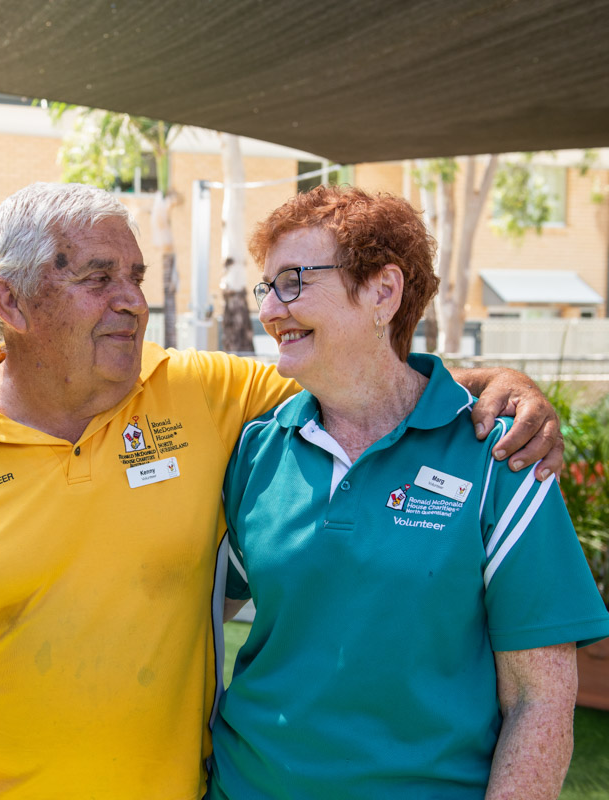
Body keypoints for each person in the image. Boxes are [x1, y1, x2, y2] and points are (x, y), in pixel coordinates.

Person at [0, 182, 564, 800]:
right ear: (11, 303)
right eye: (97, 278)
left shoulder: (202, 393)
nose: (132, 302)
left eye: (136, 277)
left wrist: (500, 385)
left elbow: (370, 375)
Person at [210, 185, 609, 800]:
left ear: (383, 292)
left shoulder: (500, 457)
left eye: (293, 280)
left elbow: (539, 702)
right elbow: (205, 615)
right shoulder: (257, 450)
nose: (270, 309)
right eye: (267, 286)